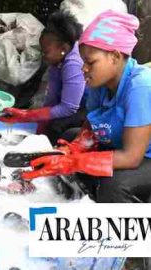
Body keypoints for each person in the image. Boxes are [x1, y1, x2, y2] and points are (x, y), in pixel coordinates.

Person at [20, 10, 151, 203]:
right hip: (120, 146)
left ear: (114, 56)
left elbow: (131, 157)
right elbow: (90, 125)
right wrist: (70, 150)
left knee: (114, 184)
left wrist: (74, 162)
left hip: (143, 156)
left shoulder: (140, 87)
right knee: (69, 136)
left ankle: (126, 229)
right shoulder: (101, 82)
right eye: (83, 62)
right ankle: (84, 197)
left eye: (90, 62)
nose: (84, 68)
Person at [0, 11, 87, 145]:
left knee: (57, 125)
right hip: (74, 107)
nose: (43, 56)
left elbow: (69, 108)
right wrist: (37, 134)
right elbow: (51, 101)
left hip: (89, 110)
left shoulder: (73, 64)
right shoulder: (57, 63)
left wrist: (27, 116)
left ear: (63, 48)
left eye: (46, 52)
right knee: (47, 121)